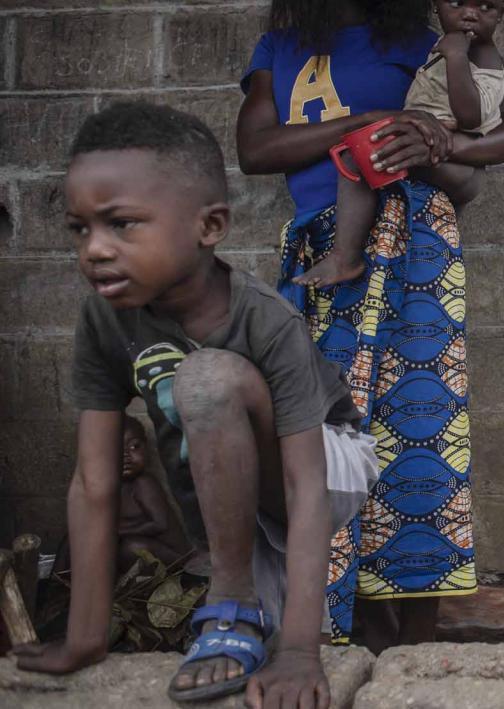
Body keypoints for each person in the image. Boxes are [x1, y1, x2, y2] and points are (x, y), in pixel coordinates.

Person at [236, 0, 504, 650]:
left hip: (413, 253)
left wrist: (437, 146)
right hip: (318, 252)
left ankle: (419, 647)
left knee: (419, 443)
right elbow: (254, 150)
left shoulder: (411, 40)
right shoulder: (281, 46)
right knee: (331, 442)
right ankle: (355, 630)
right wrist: (365, 123)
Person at [13, 102, 379, 707]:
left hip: (326, 463)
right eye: (80, 229)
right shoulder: (104, 320)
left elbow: (306, 487)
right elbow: (94, 482)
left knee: (206, 379)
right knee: (243, 666)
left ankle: (231, 605)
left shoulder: (265, 317)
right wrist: (83, 638)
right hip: (221, 479)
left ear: (209, 227)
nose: (95, 250)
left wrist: (299, 651)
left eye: (122, 224)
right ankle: (237, 612)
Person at [297, 0, 504, 288]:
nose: (470, 15)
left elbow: (471, 117)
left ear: (502, 11)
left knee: (358, 157)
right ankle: (357, 259)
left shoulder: (481, 55)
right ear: (436, 2)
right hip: (432, 151)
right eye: (456, 2)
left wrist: (456, 58)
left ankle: (343, 258)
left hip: (454, 159)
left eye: (485, 7)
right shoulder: (440, 46)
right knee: (363, 163)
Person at [116, 415, 188, 573]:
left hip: (175, 559)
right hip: (147, 554)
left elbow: (159, 524)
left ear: (146, 447)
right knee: (74, 538)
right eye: (115, 448)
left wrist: (116, 531)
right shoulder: (109, 487)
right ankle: (56, 585)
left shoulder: (144, 483)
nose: (126, 456)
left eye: (134, 447)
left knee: (132, 548)